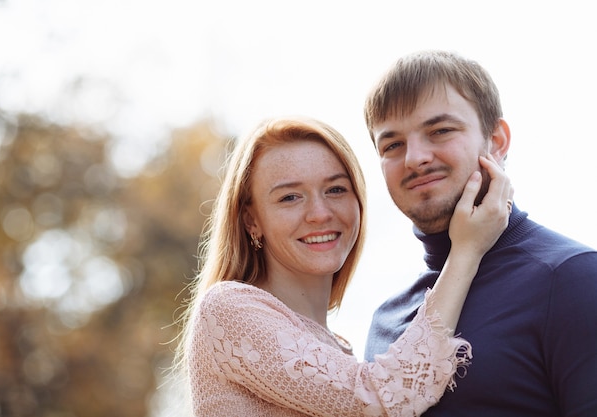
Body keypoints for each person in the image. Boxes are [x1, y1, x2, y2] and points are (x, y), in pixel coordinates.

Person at [175, 115, 513, 417]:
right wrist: (467, 250)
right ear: (252, 221)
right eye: (290, 197)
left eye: (336, 189)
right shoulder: (228, 309)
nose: (320, 213)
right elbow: (385, 398)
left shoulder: (340, 350)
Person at [362, 50, 597, 416]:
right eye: (392, 144)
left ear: (497, 141)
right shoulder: (386, 320)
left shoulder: (573, 278)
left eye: (440, 130)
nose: (414, 157)